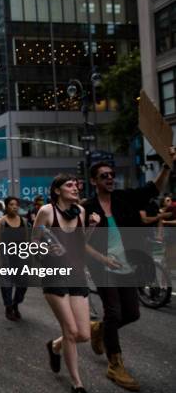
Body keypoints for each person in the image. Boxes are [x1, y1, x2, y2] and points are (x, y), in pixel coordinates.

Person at [84, 153, 175, 392]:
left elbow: (152, 189)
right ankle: (115, 364)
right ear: (94, 181)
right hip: (103, 267)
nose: (110, 179)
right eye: (104, 176)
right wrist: (102, 257)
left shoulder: (124, 199)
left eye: (112, 175)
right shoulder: (87, 208)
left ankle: (100, 329)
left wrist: (167, 166)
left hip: (127, 266)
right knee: (113, 312)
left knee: (132, 313)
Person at [33, 174, 103, 393]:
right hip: (53, 275)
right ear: (57, 190)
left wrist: (92, 226)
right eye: (70, 185)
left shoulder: (80, 212)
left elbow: (81, 243)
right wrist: (46, 248)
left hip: (76, 275)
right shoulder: (46, 212)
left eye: (77, 185)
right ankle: (77, 383)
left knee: (83, 334)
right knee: (71, 331)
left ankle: (54, 346)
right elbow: (33, 246)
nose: (76, 188)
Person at [0, 197, 29, 321]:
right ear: (6, 207)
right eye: (11, 204)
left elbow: (26, 240)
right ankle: (9, 308)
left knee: (23, 284)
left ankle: (15, 304)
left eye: (16, 204)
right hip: (5, 257)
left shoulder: (23, 221)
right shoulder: (1, 222)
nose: (14, 207)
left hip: (20, 256)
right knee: (7, 285)